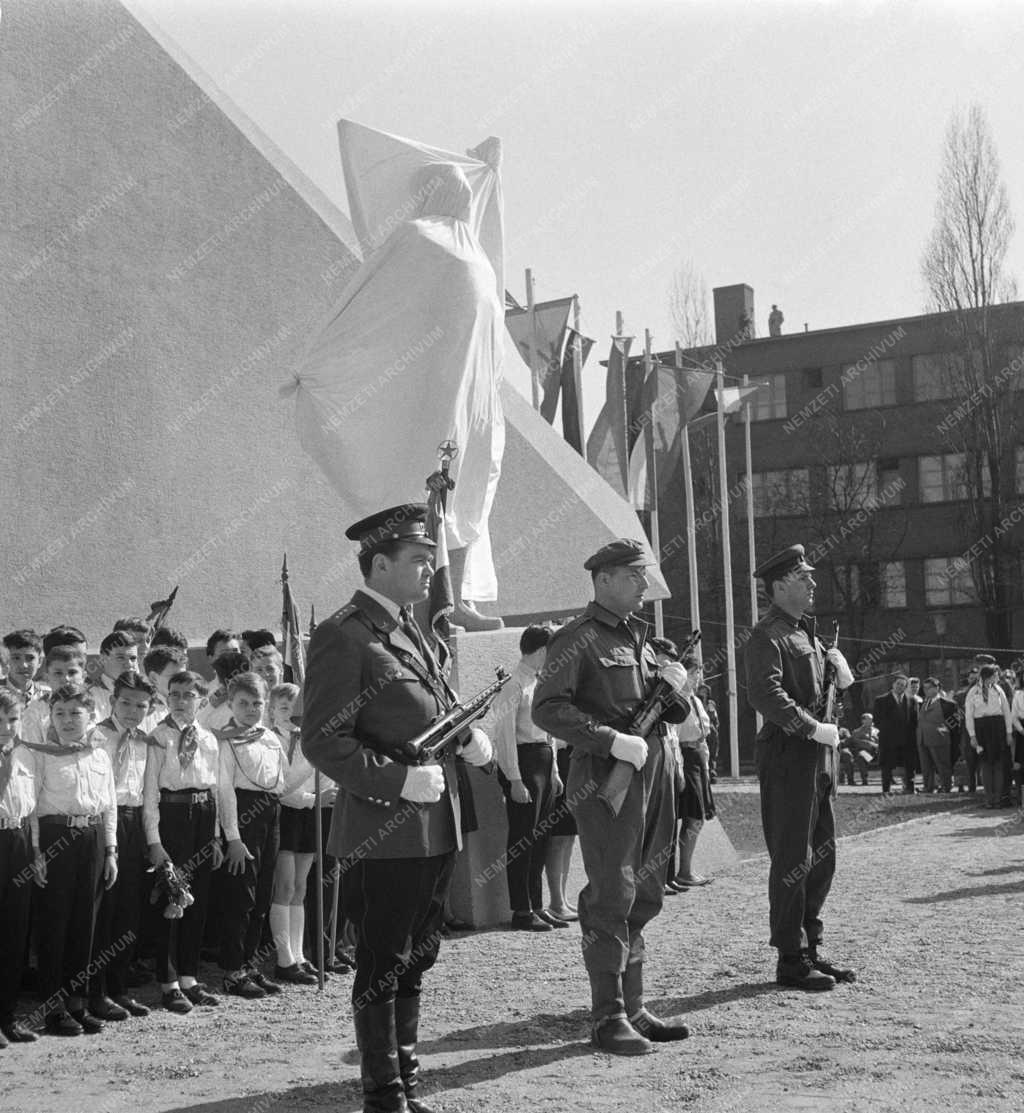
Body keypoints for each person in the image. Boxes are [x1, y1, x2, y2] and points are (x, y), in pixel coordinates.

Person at [302, 503, 494, 1113]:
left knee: (419, 952)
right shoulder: (343, 633)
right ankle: (383, 1093)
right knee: (383, 960)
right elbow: (323, 738)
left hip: (438, 820)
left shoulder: (412, 629)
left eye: (429, 559)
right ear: (379, 564)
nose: (428, 570)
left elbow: (430, 710)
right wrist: (395, 781)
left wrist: (465, 734)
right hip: (386, 826)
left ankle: (406, 1080)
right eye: (417, 560)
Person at [532, 538, 691, 1055]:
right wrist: (608, 738)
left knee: (645, 892)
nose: (645, 585)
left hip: (653, 774)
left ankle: (635, 1005)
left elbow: (659, 710)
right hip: (607, 780)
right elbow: (548, 709)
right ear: (602, 580)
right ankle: (608, 1016)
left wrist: (674, 691)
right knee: (610, 895)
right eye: (634, 576)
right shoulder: (577, 638)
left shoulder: (641, 638)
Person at [745, 544, 856, 992]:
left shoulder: (806, 634)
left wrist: (840, 682)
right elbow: (764, 695)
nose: (813, 584)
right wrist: (811, 728)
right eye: (803, 578)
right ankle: (790, 958)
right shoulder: (767, 635)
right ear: (778, 587)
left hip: (817, 758)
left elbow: (822, 695)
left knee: (822, 855)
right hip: (790, 756)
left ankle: (810, 946)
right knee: (793, 856)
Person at [30, 683, 118, 1036]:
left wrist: (111, 850)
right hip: (56, 839)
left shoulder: (99, 755)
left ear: (90, 716)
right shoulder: (42, 754)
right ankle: (53, 1007)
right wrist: (36, 852)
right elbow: (33, 808)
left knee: (86, 923)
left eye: (75, 713)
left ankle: (78, 1002)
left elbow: (109, 804)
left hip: (92, 839)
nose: (67, 720)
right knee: (55, 923)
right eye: (60, 713)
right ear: (51, 716)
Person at [145, 669, 223, 1013]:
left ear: (201, 701)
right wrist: (154, 839)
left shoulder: (208, 738)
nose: (179, 701)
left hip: (203, 815)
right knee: (171, 896)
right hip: (172, 816)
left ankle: (190, 976)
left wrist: (218, 835)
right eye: (174, 694)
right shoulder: (158, 737)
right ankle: (169, 980)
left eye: (188, 695)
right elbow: (149, 792)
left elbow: (216, 787)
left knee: (199, 898)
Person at [87, 672, 157, 1020]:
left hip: (133, 823)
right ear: (113, 700)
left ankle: (120, 988)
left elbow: (147, 793)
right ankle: (94, 992)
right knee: (104, 912)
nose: (132, 710)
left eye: (141, 705)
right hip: (101, 825)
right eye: (126, 702)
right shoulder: (97, 735)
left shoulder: (145, 740)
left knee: (129, 910)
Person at [491, 624, 565, 931]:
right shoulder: (513, 685)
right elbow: (504, 733)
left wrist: (556, 771)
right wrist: (514, 778)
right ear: (541, 651)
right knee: (522, 838)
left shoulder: (539, 682)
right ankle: (521, 909)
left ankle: (536, 904)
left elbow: (548, 731)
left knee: (541, 837)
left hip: (544, 761)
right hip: (524, 761)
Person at [217, 671, 286, 998]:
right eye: (243, 703)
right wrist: (232, 836)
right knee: (239, 898)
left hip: (271, 814)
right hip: (243, 815)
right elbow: (225, 790)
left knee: (262, 896)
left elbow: (281, 783)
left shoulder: (271, 738)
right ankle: (232, 970)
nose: (250, 709)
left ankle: (251, 963)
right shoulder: (227, 740)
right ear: (230, 704)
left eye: (257, 702)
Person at [269, 682, 319, 985]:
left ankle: (299, 955)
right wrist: (312, 798)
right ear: (272, 711)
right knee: (285, 887)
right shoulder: (272, 740)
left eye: (296, 709)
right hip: (285, 815)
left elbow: (319, 781)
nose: (290, 714)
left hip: (307, 816)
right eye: (284, 708)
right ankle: (283, 958)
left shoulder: (306, 740)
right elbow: (282, 789)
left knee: (301, 887)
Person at [0, 690, 40, 1046]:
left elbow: (32, 807)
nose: (5, 727)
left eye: (12, 719)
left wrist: (37, 850)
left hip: (19, 839)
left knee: (15, 931)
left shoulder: (25, 753)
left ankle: (8, 1015)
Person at [668, 649, 715, 890]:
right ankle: (682, 870)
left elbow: (703, 734)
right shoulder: (676, 700)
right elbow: (675, 735)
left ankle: (686, 868)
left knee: (697, 817)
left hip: (698, 758)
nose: (697, 677)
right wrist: (680, 767)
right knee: (691, 815)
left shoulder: (695, 700)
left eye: (699, 672)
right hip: (684, 758)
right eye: (693, 672)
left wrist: (706, 765)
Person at [965, 663, 1013, 809]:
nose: (998, 677)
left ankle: (998, 799)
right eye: (996, 675)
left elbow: (1006, 712)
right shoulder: (973, 692)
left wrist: (1009, 733)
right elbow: (968, 715)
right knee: (985, 764)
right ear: (989, 676)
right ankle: (988, 798)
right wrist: (972, 736)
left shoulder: (999, 690)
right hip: (981, 729)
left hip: (997, 727)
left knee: (998, 764)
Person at [22, 645, 88, 746]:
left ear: (83, 676)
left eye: (72, 672)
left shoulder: (94, 706)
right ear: (47, 677)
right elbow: (33, 750)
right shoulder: (35, 710)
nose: (66, 678)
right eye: (58, 673)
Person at [873, 673, 918, 795]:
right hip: (888, 740)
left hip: (907, 740)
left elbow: (915, 721)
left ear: (906, 687)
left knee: (910, 765)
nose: (900, 687)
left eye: (903, 685)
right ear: (893, 684)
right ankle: (886, 790)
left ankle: (909, 788)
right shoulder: (881, 700)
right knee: (887, 766)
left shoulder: (912, 701)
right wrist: (888, 732)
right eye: (898, 684)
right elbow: (877, 720)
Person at [916, 677, 960, 794]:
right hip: (922, 739)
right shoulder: (923, 702)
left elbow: (956, 720)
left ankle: (946, 786)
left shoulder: (947, 703)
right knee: (926, 766)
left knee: (942, 764)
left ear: (937, 688)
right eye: (924, 688)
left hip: (939, 739)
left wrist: (943, 729)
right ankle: (928, 787)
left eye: (929, 688)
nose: (926, 690)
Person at [88, 631, 140, 722]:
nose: (129, 664)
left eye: (133, 658)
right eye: (120, 658)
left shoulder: (145, 694)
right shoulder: (89, 695)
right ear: (103, 659)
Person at [1, 630, 48, 705]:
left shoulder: (48, 696)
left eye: (30, 658)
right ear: (6, 660)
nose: (23, 665)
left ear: (40, 661)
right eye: (16, 658)